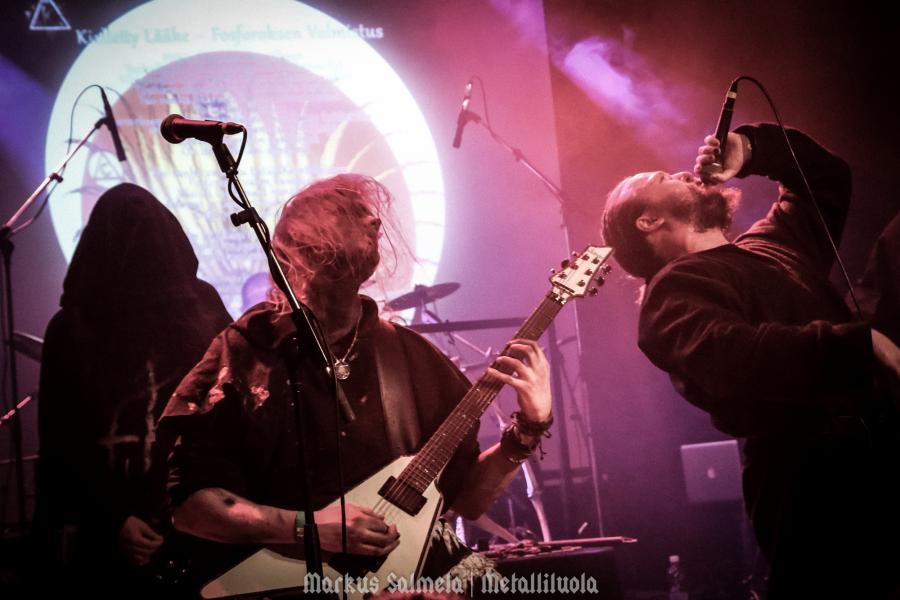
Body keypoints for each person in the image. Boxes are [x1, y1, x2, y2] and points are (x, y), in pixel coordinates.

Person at [161, 173, 553, 592]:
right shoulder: (245, 353)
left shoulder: (408, 356)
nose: (373, 220)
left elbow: (467, 500)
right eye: (350, 211)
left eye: (370, 213)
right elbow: (191, 509)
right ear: (304, 245)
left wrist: (527, 430)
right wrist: (307, 529)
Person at [600, 123, 900, 598]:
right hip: (816, 485)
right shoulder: (671, 293)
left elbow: (825, 177)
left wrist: (753, 149)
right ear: (648, 221)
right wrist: (861, 346)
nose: (680, 172)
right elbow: (739, 356)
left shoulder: (770, 245)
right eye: (661, 178)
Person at [32, 183, 232, 595]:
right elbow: (63, 441)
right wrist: (111, 519)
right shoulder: (74, 328)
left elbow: (229, 411)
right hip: (108, 540)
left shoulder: (201, 308)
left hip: (195, 519)